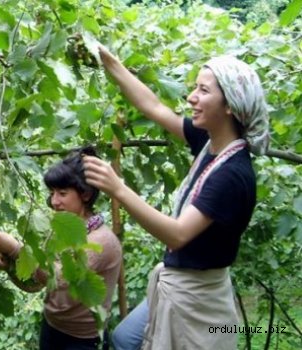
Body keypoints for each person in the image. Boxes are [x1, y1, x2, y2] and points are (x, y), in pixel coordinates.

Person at [82, 46, 269, 350]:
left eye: (203, 90)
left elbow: (178, 233)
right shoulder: (210, 142)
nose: (191, 97)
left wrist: (118, 189)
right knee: (124, 339)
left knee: (128, 341)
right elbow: (153, 106)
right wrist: (109, 61)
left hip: (197, 295)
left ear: (230, 106)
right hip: (179, 281)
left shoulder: (232, 175)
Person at [0, 147, 122, 350]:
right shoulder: (62, 231)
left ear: (85, 194)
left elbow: (59, 278)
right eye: (52, 193)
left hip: (82, 341)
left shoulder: (102, 241)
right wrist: (11, 268)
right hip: (52, 329)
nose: (54, 201)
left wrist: (16, 249)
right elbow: (39, 283)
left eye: (62, 193)